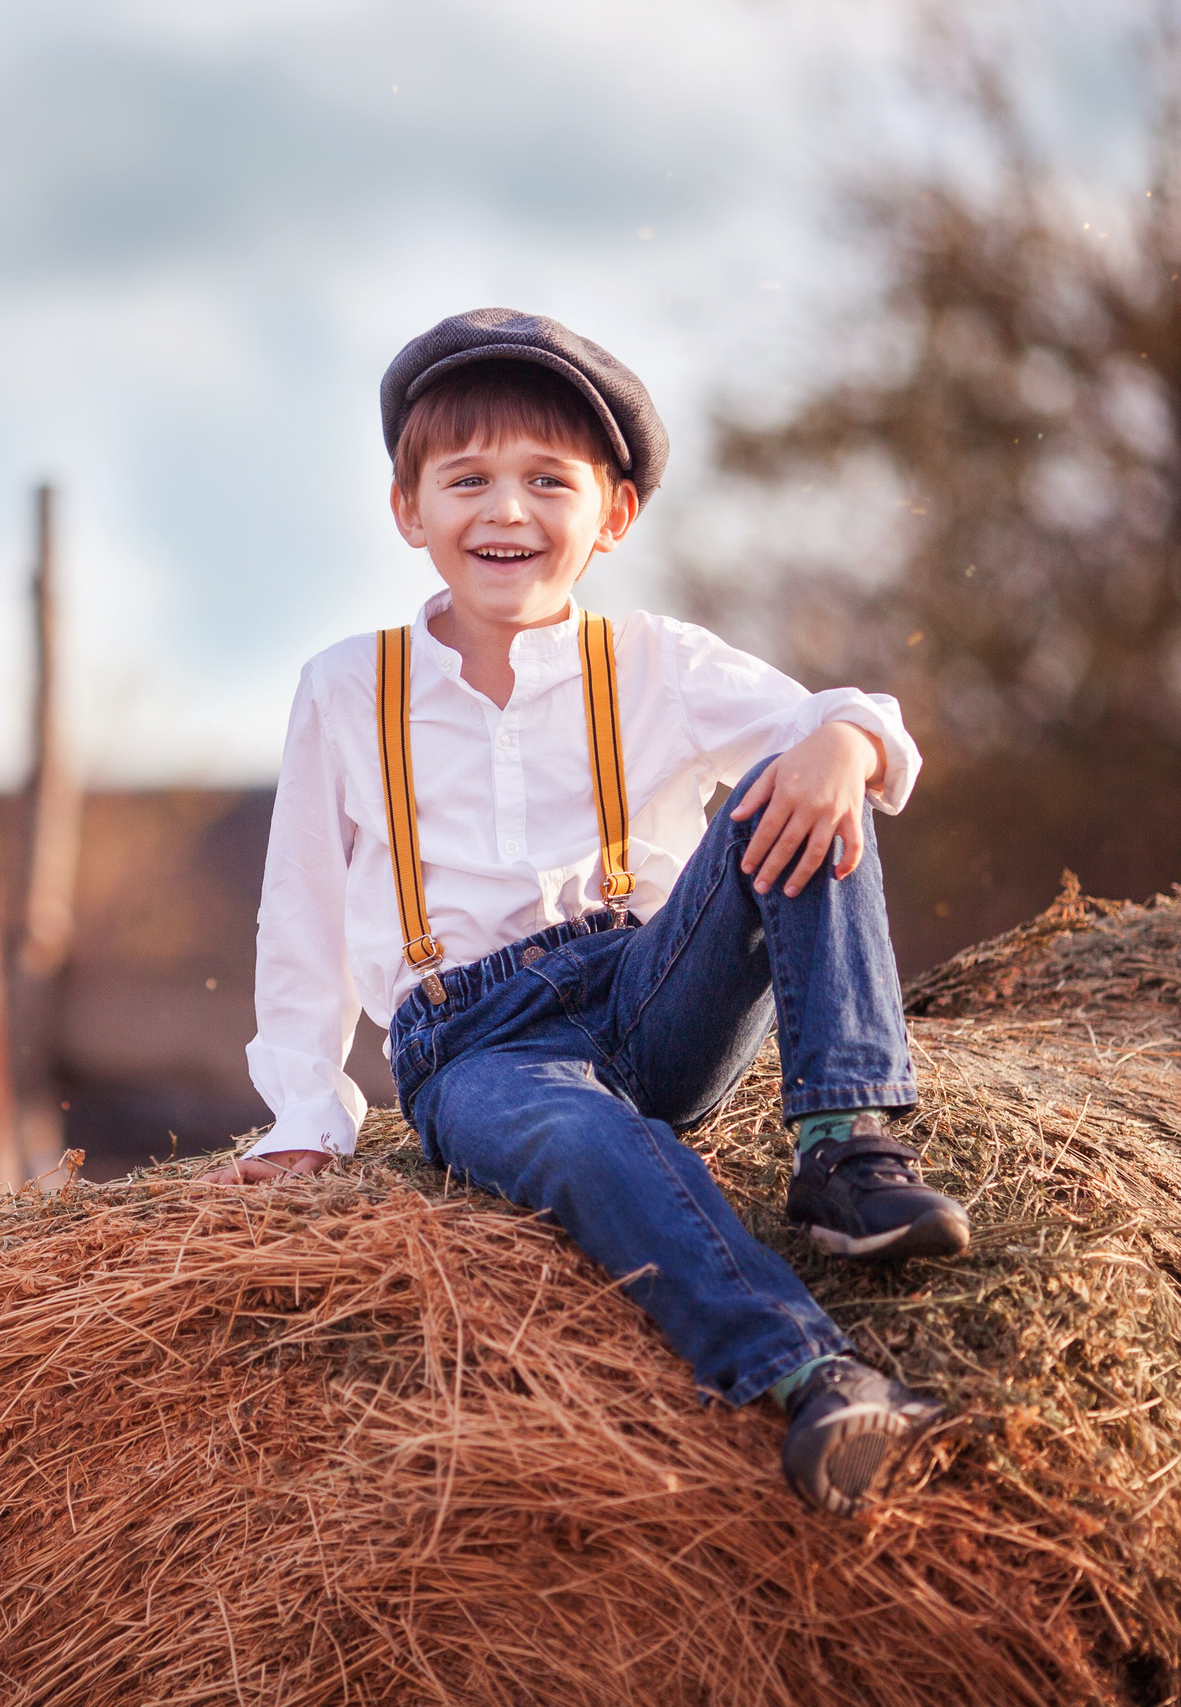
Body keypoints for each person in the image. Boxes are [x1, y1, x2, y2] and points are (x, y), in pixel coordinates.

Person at [205, 307, 968, 1517]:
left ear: (610, 515)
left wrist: (841, 739)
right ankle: (810, 1371)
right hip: (479, 1048)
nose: (505, 511)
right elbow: (297, 910)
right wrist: (305, 1114)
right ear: (409, 511)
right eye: (468, 481)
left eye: (545, 483)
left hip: (651, 991)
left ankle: (847, 1151)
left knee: (815, 773)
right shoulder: (348, 689)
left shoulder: (655, 661)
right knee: (586, 1143)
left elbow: (858, 719)